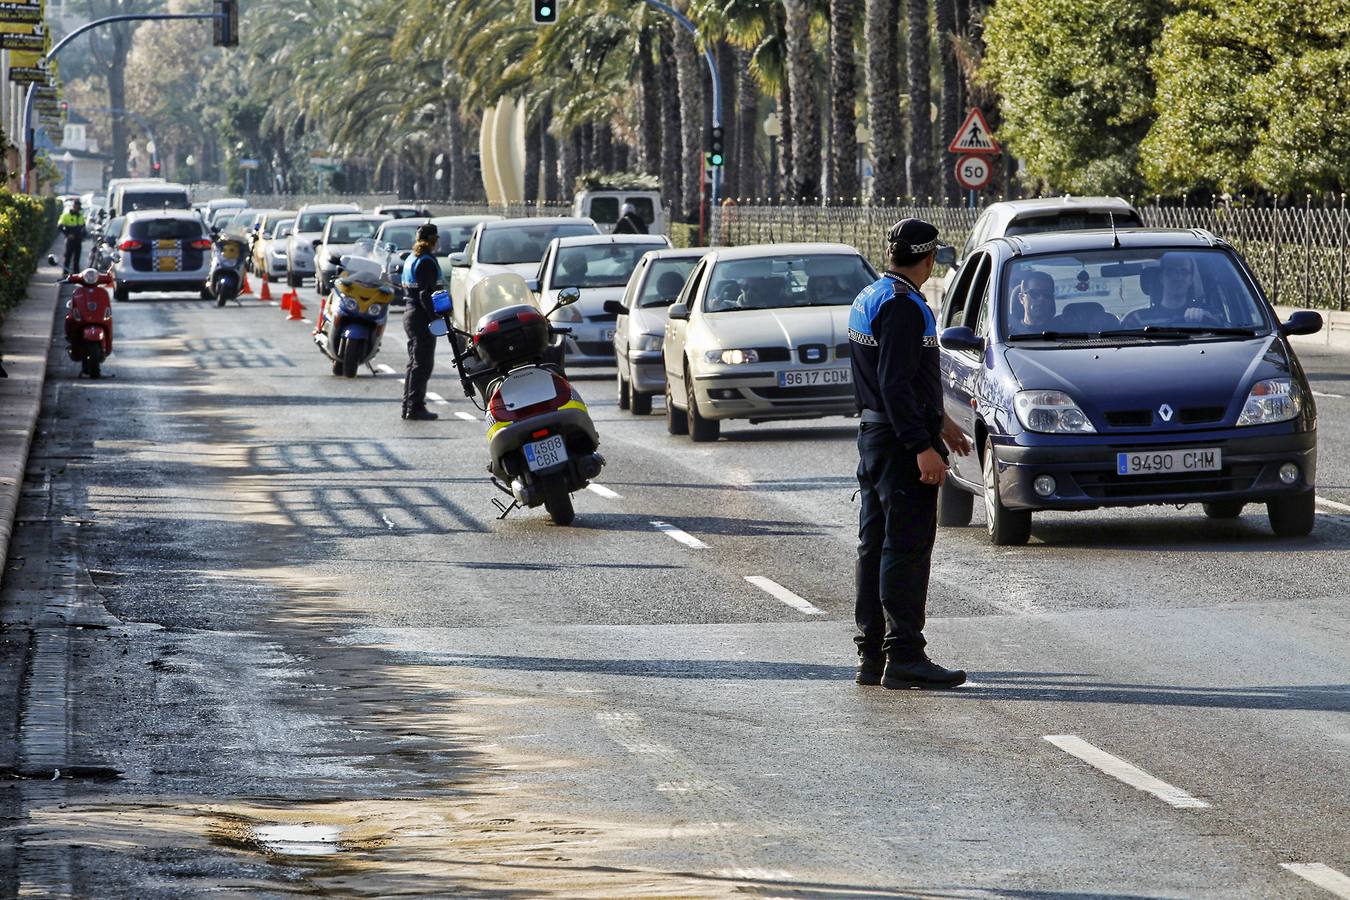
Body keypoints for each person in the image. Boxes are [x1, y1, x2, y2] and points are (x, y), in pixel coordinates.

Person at [847, 218, 972, 690]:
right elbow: (895, 383)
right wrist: (922, 446)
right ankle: (904, 655)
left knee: (875, 544)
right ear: (927, 259)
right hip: (900, 443)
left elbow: (895, 378)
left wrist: (941, 421)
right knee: (907, 546)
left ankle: (871, 655)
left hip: (878, 435)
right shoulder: (903, 306)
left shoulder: (872, 295)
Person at [400, 223, 442, 421]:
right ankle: (415, 406)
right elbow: (426, 294)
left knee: (415, 363)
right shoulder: (426, 261)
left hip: (410, 312)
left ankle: (408, 405)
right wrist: (435, 318)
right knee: (423, 364)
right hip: (420, 316)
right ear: (434, 239)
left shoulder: (411, 258)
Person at [1122, 253, 1218, 327]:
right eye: (1171, 271)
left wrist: (1207, 319)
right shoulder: (1138, 320)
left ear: (1191, 279)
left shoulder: (1206, 314)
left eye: (1184, 272)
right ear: (1161, 278)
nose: (1178, 277)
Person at [58, 199, 87, 274]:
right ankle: (65, 274)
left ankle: (76, 274)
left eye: (79, 208)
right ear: (74, 206)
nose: (78, 210)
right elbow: (60, 226)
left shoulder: (80, 216)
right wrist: (67, 235)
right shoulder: (66, 215)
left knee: (76, 259)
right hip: (70, 240)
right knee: (68, 257)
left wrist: (83, 235)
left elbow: (83, 227)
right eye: (77, 208)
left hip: (78, 240)